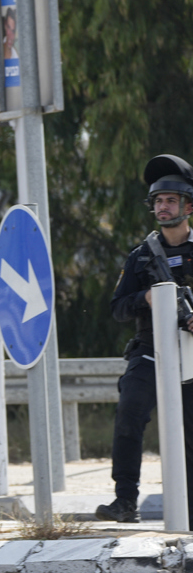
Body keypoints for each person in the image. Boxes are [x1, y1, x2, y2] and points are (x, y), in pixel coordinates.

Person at [99, 154, 193, 523]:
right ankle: (124, 502)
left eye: (171, 200)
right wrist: (146, 299)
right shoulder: (142, 256)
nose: (163, 207)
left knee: (189, 432)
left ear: (189, 205)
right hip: (151, 349)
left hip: (190, 356)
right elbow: (117, 307)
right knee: (128, 417)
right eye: (158, 200)